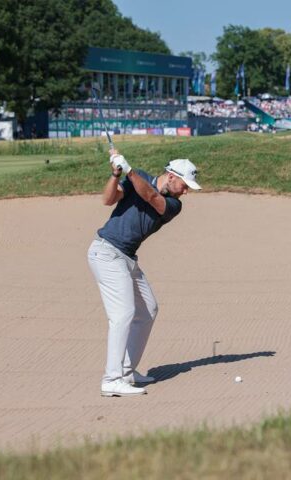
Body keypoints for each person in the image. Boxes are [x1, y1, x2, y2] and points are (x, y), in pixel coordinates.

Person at [88, 149, 201, 397]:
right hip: (106, 252)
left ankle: (126, 371)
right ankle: (112, 379)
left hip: (127, 258)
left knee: (148, 310)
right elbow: (108, 200)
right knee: (123, 313)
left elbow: (151, 197)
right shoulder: (137, 178)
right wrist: (116, 175)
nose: (186, 191)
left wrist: (129, 170)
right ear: (171, 177)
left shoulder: (173, 205)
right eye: (184, 185)